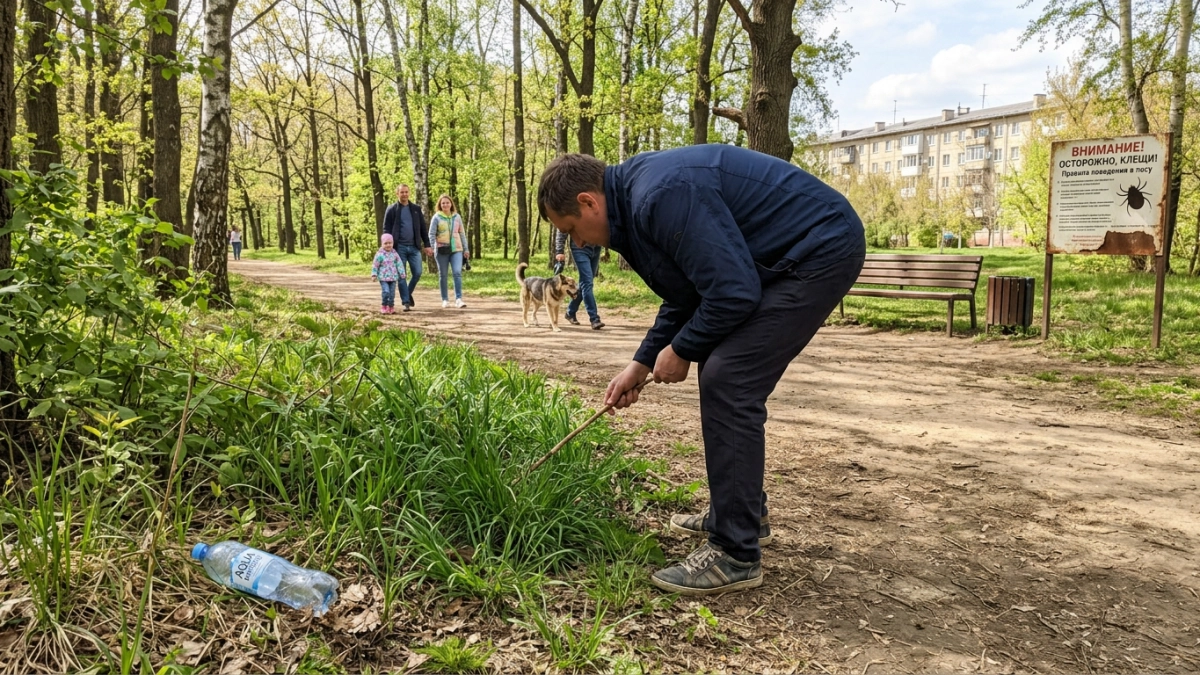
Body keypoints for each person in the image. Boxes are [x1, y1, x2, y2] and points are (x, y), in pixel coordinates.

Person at [538, 146, 865, 596]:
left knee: (729, 378)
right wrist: (642, 361)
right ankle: (743, 513)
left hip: (819, 247)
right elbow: (688, 292)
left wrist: (683, 349)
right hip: (781, 257)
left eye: (573, 230)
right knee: (723, 365)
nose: (579, 243)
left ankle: (735, 552)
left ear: (589, 202)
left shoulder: (659, 195)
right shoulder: (637, 209)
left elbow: (732, 292)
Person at [382, 184, 432, 309]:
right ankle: (406, 302)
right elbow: (386, 229)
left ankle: (407, 294)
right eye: (402, 192)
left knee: (418, 273)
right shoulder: (392, 209)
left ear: (409, 193)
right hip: (399, 248)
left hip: (414, 247)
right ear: (397, 193)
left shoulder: (415, 209)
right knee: (401, 275)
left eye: (406, 192)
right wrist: (386, 246)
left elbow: (422, 228)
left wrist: (427, 245)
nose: (404, 194)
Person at [554, 229, 605, 329]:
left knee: (585, 283)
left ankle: (570, 312)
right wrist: (559, 250)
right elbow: (563, 226)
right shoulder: (573, 212)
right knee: (587, 283)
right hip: (580, 248)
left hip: (596, 247)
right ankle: (594, 319)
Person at [428, 194, 470, 309]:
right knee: (443, 275)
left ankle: (458, 299)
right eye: (443, 203)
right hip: (441, 250)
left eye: (447, 202)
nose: (445, 205)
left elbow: (462, 233)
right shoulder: (436, 217)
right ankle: (445, 299)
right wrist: (431, 247)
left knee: (457, 272)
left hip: (456, 249)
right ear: (440, 205)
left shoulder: (457, 217)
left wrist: (466, 249)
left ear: (451, 204)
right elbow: (431, 234)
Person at [371, 233, 406, 314]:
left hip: (393, 277)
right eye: (385, 243)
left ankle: (391, 306)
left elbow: (399, 264)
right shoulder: (380, 254)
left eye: (390, 243)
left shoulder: (394, 254)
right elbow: (375, 265)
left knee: (392, 293)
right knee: (386, 291)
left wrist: (402, 273)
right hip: (383, 277)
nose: (388, 245)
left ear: (393, 243)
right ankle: (384, 305)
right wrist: (374, 274)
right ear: (382, 244)